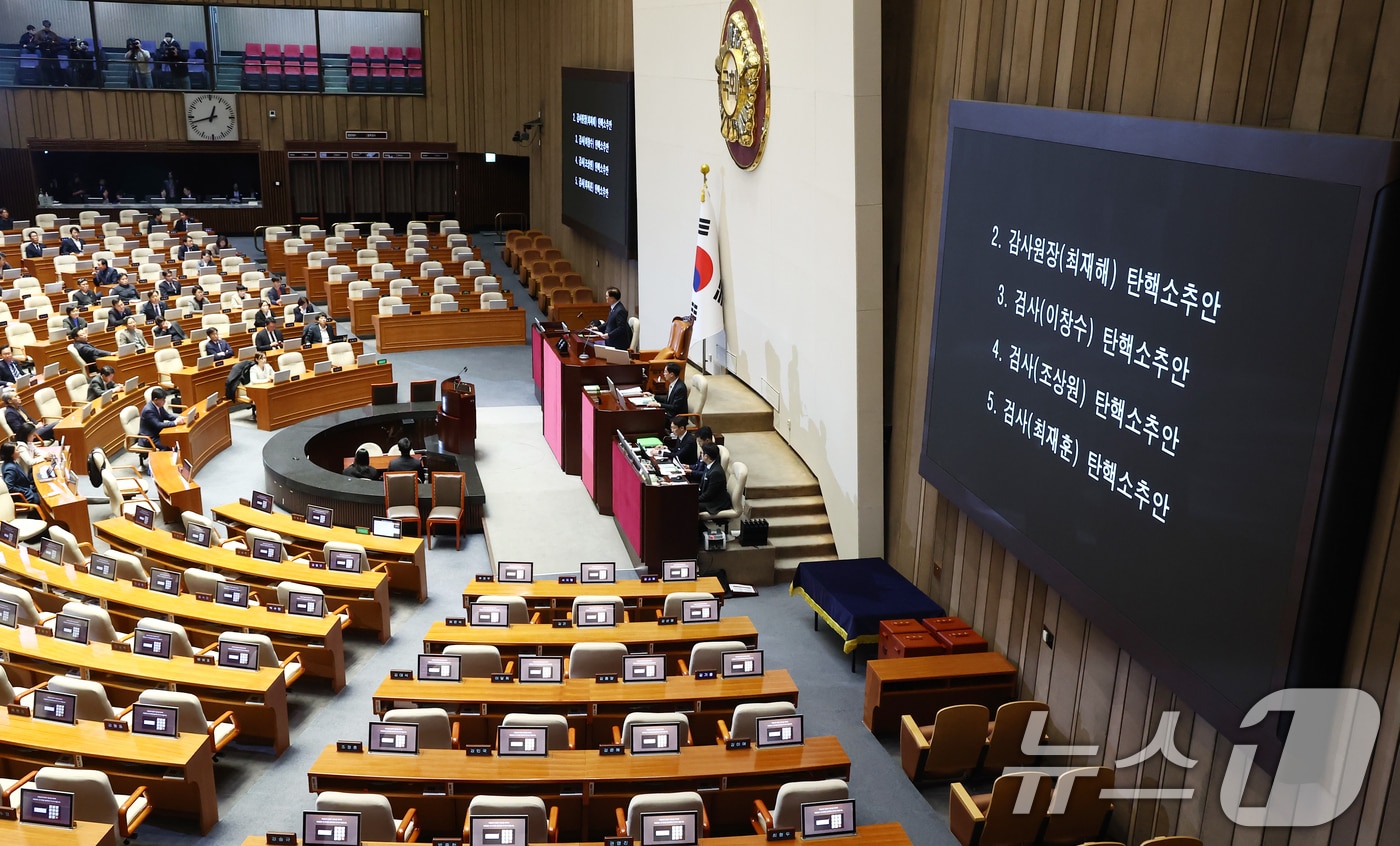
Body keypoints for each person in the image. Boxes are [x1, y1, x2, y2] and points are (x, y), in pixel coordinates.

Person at [137, 387, 186, 463]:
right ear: (156, 399)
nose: (164, 401)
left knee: (174, 439)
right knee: (168, 444)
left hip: (157, 433)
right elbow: (158, 425)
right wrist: (175, 423)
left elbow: (167, 416)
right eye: (163, 400)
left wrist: (180, 418)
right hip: (149, 438)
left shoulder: (158, 405)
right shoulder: (148, 410)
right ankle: (164, 464)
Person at [696, 443, 732, 517]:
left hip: (715, 502)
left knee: (689, 505)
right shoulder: (709, 465)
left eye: (702, 453)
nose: (701, 455)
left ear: (706, 456)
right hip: (709, 497)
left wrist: (693, 498)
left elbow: (709, 495)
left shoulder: (716, 472)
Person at [35, 21, 63, 87]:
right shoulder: (39, 33)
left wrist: (52, 42)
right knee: (46, 68)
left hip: (52, 51)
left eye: (48, 27)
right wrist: (43, 42)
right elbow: (36, 41)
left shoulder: (53, 34)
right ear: (43, 26)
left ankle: (58, 82)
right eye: (45, 26)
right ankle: (47, 82)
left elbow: (58, 42)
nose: (47, 28)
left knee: (56, 67)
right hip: (43, 52)